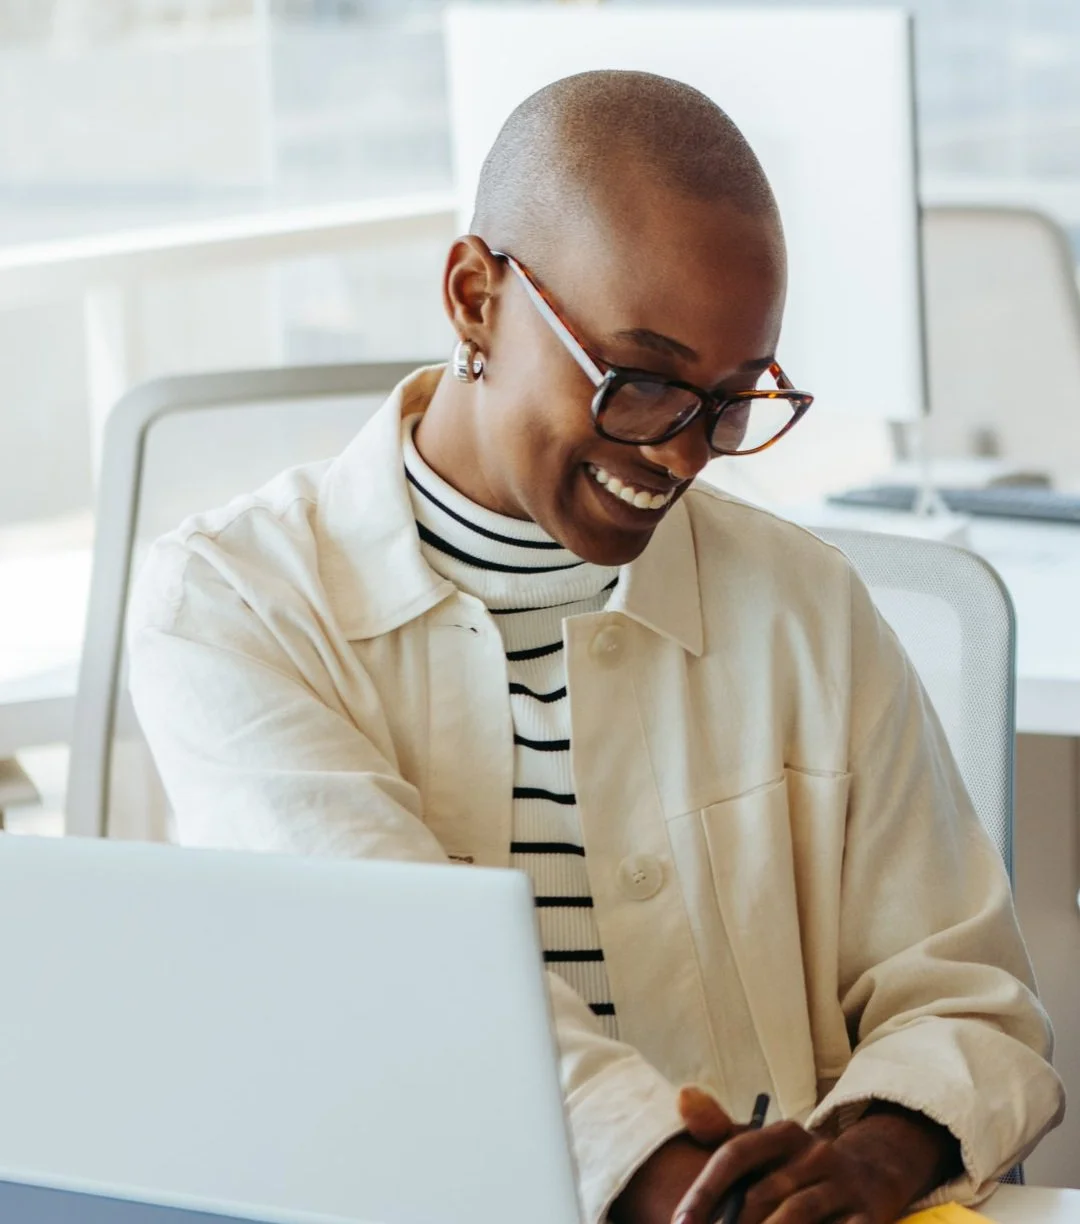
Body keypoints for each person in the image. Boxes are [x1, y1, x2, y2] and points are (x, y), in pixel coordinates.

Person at [128, 70, 1064, 1224]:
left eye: (729, 403)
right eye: (641, 383)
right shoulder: (234, 603)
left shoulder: (805, 603)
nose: (680, 455)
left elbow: (969, 997)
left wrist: (874, 1157)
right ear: (475, 297)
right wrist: (681, 1191)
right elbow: (402, 987)